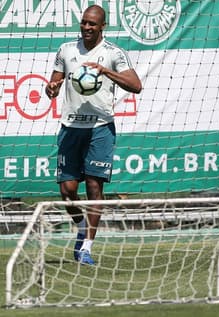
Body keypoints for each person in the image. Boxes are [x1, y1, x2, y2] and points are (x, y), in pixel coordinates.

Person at [45, 5, 142, 265]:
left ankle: (86, 247)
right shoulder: (67, 50)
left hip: (100, 128)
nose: (87, 27)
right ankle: (80, 226)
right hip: (70, 128)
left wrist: (106, 72)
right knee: (67, 192)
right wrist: (52, 88)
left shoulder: (113, 53)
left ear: (103, 26)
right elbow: (52, 86)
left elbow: (136, 86)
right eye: (84, 23)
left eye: (92, 24)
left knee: (94, 187)